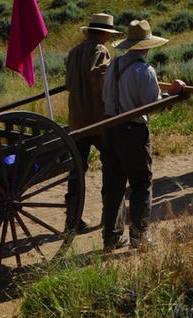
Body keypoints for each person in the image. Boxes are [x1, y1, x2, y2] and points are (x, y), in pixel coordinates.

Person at [100, 19, 182, 249]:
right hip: (132, 132)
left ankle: (111, 237)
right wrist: (173, 95)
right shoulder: (144, 70)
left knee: (114, 185)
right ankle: (139, 236)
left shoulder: (114, 66)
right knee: (141, 183)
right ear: (146, 46)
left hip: (109, 128)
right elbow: (152, 105)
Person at [63, 12, 122, 227]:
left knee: (77, 168)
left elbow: (69, 83)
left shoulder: (74, 52)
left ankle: (72, 218)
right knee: (111, 164)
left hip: (77, 119)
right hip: (98, 119)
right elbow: (101, 81)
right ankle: (110, 217)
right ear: (105, 34)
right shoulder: (100, 51)